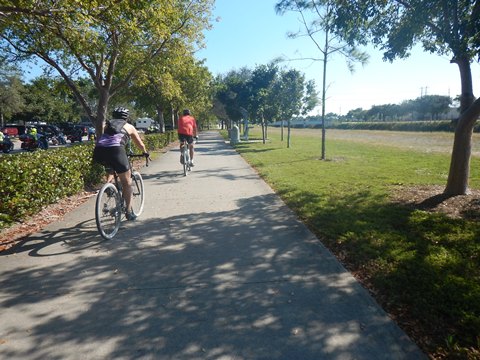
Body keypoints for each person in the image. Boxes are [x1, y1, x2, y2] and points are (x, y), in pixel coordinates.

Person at [93, 107, 149, 221]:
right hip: (116, 151)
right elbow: (140, 143)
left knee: (110, 167)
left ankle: (108, 186)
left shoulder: (107, 125)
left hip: (99, 151)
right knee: (127, 183)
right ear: (126, 117)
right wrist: (145, 153)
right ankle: (128, 212)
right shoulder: (129, 127)